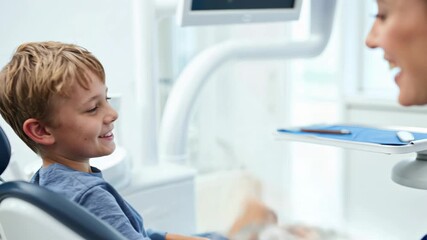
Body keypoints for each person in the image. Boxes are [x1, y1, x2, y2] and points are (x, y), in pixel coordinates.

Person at [0, 41, 209, 240]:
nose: (112, 114)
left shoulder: (42, 186)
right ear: (41, 130)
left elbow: (131, 232)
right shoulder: (89, 196)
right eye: (92, 108)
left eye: (106, 99)